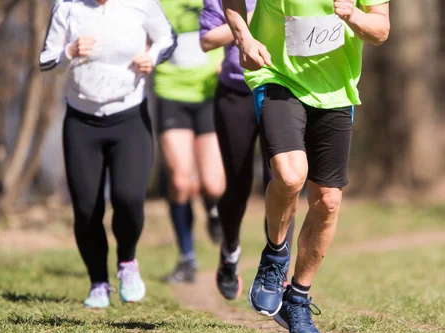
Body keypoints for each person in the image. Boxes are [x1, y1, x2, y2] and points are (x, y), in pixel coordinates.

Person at [222, 0, 390, 333]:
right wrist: (244, 38)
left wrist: (353, 15)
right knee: (289, 174)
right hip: (277, 77)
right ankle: (274, 256)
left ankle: (297, 298)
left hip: (335, 92)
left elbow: (381, 29)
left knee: (327, 201)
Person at [39, 0, 177, 308]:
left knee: (128, 198)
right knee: (87, 209)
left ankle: (127, 262)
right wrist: (69, 52)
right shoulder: (66, 7)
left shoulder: (141, 5)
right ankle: (98, 282)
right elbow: (45, 59)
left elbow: (168, 38)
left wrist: (151, 57)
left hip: (129, 116)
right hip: (81, 119)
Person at [199, 0, 295, 300]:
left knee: (283, 180)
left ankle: (278, 272)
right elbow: (207, 40)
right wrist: (248, 20)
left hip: (283, 90)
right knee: (238, 183)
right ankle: (229, 251)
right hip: (236, 93)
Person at [154, 0, 227, 284]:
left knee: (213, 183)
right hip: (171, 93)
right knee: (181, 181)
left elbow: (239, 27)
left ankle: (213, 209)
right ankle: (187, 258)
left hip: (210, 92)